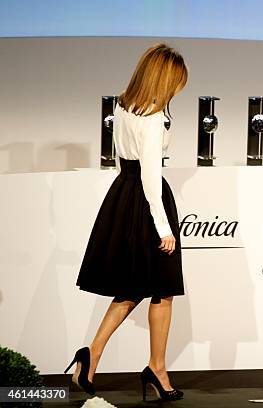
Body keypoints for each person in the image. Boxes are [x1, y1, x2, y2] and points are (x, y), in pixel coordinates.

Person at [64, 43, 188, 402]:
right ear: (165, 79)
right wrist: (164, 228)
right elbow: (152, 176)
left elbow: (123, 162)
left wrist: (127, 195)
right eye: (177, 82)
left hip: (124, 193)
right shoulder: (152, 118)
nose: (178, 90)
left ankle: (93, 355)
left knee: (134, 287)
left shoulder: (122, 106)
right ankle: (157, 369)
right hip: (149, 200)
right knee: (162, 290)